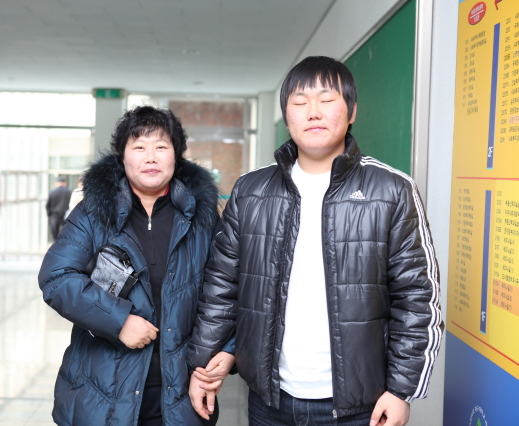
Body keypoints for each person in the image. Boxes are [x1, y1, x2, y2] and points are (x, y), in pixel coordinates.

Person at [187, 56, 443, 426]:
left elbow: (418, 298)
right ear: (286, 115)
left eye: (327, 99)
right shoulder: (251, 190)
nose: (313, 112)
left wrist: (401, 391)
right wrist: (204, 364)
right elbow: (221, 286)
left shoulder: (392, 190)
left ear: (351, 111)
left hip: (362, 405)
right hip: (269, 400)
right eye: (300, 101)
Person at [38, 106, 224, 426]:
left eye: (161, 146)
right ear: (123, 157)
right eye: (139, 147)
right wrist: (118, 320)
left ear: (176, 155)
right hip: (103, 388)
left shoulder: (202, 217)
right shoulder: (94, 212)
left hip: (181, 388)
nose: (150, 157)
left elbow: (227, 291)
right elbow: (57, 276)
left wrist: (220, 358)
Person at [46, 176, 72, 240]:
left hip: (55, 216)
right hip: (67, 215)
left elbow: (48, 205)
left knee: (54, 234)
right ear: (65, 183)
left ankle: (56, 245)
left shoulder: (52, 192)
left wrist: (49, 214)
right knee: (66, 234)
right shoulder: (70, 192)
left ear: (57, 183)